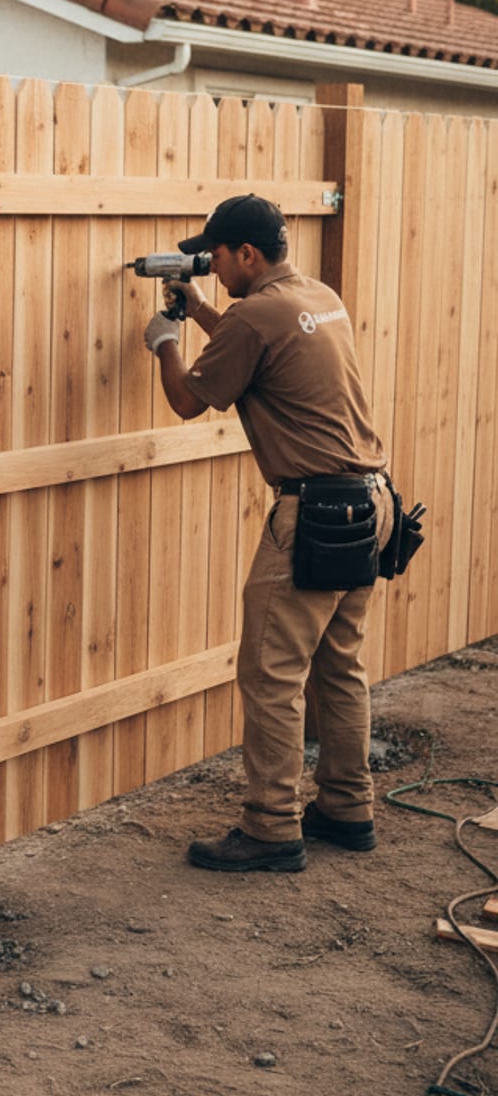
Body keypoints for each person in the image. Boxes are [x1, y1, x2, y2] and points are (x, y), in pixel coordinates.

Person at [142, 194, 392, 873]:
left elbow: (192, 397)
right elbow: (259, 347)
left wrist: (165, 344)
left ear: (247, 254)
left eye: (216, 257)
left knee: (271, 675)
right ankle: (347, 807)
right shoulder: (314, 296)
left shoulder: (255, 315)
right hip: (369, 506)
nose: (212, 266)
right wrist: (195, 308)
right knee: (339, 666)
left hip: (313, 515)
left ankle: (272, 827)